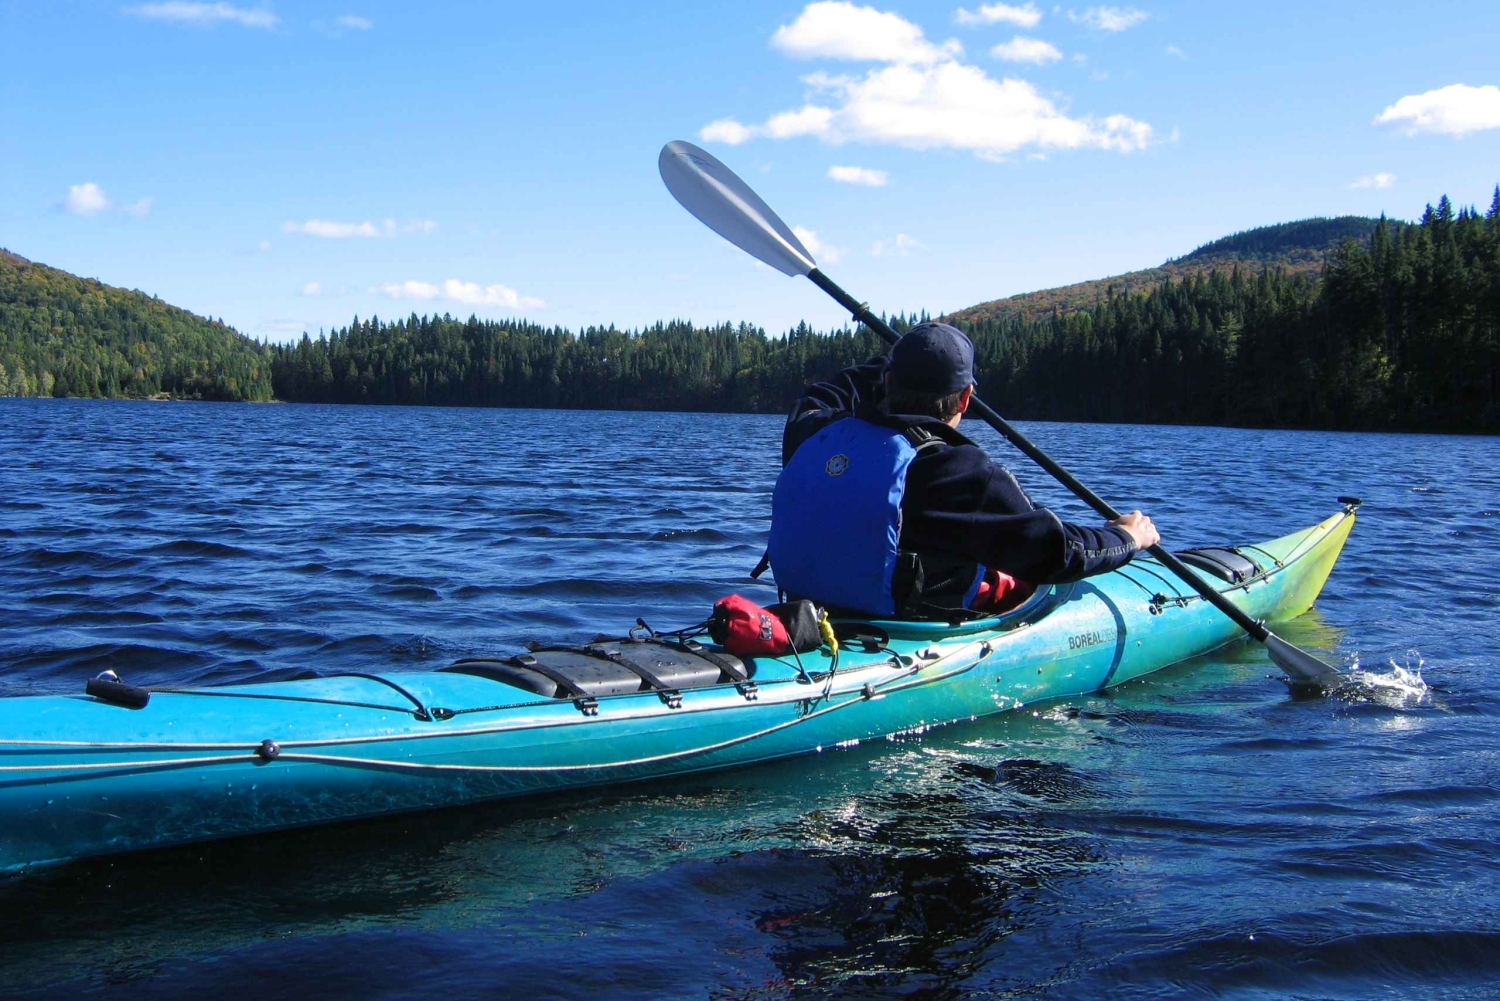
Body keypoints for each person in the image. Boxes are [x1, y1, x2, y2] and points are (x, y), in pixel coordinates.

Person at [765, 321, 1160, 618]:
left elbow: (824, 393)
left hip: (812, 611)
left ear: (887, 381)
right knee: (1010, 578)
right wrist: (1125, 537)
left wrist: (897, 361)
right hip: (908, 625)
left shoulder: (814, 433)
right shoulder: (960, 471)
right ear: (966, 398)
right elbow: (1058, 553)